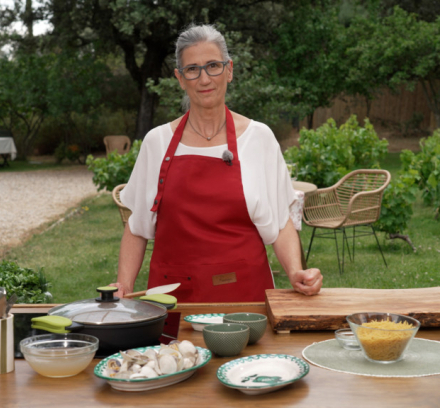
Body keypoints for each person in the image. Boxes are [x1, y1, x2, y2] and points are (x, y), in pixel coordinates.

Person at [112, 24, 322, 302]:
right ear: (179, 78)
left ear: (229, 70)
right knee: (174, 350)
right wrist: (122, 287)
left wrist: (296, 271)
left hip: (247, 299)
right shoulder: (157, 142)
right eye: (192, 69)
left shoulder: (259, 138)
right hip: (173, 300)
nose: (204, 79)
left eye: (213, 65)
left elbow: (281, 223)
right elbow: (137, 228)